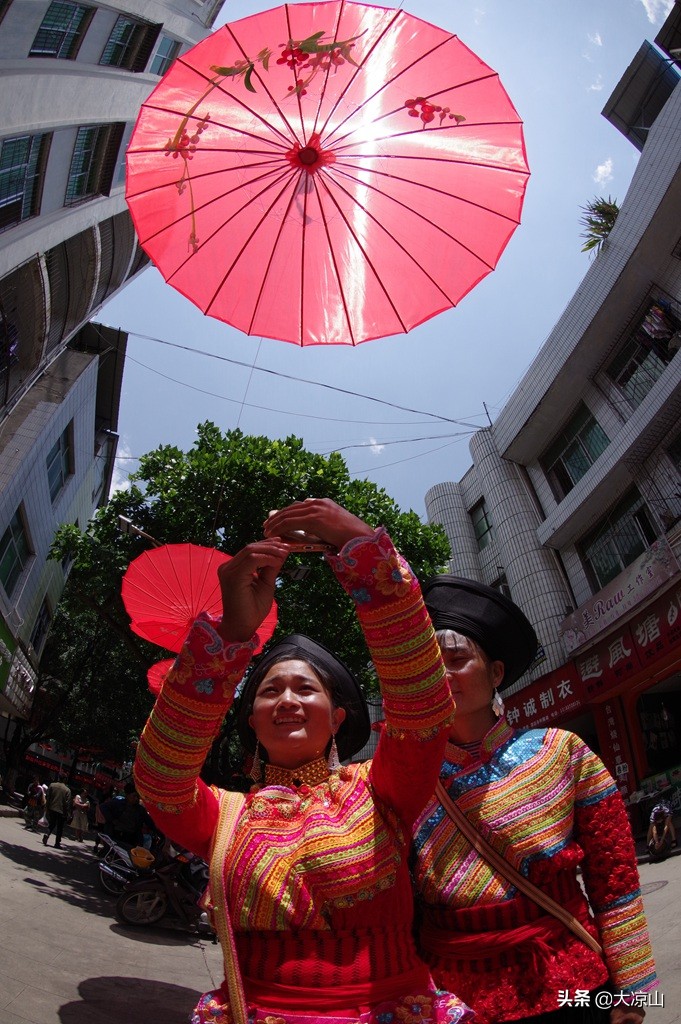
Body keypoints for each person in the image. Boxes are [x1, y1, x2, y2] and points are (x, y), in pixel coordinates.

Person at [134, 498, 471, 1024]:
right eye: (270, 691)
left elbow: (424, 707)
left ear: (336, 718)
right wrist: (232, 635)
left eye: (304, 689)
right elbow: (160, 781)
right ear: (251, 719)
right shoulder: (226, 817)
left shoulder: (381, 790)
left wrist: (360, 548)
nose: (287, 700)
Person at [411, 575, 657, 1024]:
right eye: (428, 662)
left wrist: (633, 991)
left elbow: (613, 877)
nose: (441, 673)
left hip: (574, 986)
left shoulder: (562, 752)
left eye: (457, 659)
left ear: (497, 673)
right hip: (457, 1002)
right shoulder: (404, 778)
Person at [99, 782, 153, 847]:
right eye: (134, 796)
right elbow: (103, 807)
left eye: (137, 796)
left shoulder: (140, 810)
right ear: (127, 795)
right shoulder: (118, 803)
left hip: (130, 838)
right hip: (115, 834)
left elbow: (149, 822)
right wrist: (112, 820)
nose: (136, 799)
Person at [42, 777, 72, 848]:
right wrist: (67, 813)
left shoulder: (52, 785)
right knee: (60, 827)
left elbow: (48, 797)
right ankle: (57, 843)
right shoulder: (67, 790)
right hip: (61, 811)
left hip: (52, 808)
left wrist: (47, 806)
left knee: (52, 823)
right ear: (65, 780)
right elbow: (67, 803)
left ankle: (47, 833)